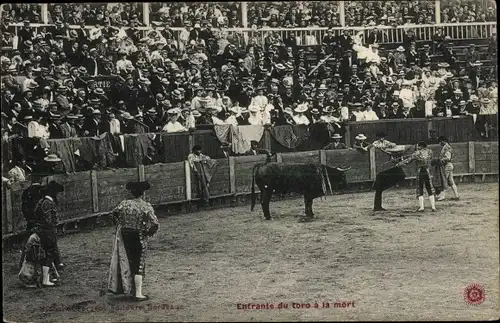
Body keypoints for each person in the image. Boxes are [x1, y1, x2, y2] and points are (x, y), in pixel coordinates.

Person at [108, 181, 159, 302]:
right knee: (139, 264)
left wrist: (120, 223)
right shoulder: (145, 206)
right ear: (142, 193)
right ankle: (138, 293)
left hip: (125, 236)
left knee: (127, 261)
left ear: (131, 192)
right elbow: (155, 223)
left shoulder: (124, 204)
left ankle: (129, 289)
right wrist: (147, 232)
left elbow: (112, 214)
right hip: (138, 236)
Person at [31, 180, 65, 286]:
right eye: (57, 193)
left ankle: (46, 278)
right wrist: (54, 227)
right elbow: (49, 221)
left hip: (43, 231)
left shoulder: (43, 201)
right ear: (53, 193)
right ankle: (45, 280)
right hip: (47, 231)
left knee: (47, 254)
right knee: (49, 254)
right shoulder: (48, 203)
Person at [396, 141, 437, 212]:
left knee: (420, 188)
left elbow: (408, 160)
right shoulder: (430, 152)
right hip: (427, 171)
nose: (417, 147)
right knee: (429, 188)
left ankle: (422, 207)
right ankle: (433, 207)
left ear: (420, 146)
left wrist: (399, 164)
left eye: (418, 146)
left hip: (420, 171)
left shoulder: (417, 153)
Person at [433, 136, 460, 201]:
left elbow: (448, 158)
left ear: (442, 141)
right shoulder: (446, 147)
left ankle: (442, 196)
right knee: (451, 181)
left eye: (439, 142)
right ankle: (456, 195)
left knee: (443, 180)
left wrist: (440, 160)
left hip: (447, 165)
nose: (439, 143)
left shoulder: (446, 147)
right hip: (448, 165)